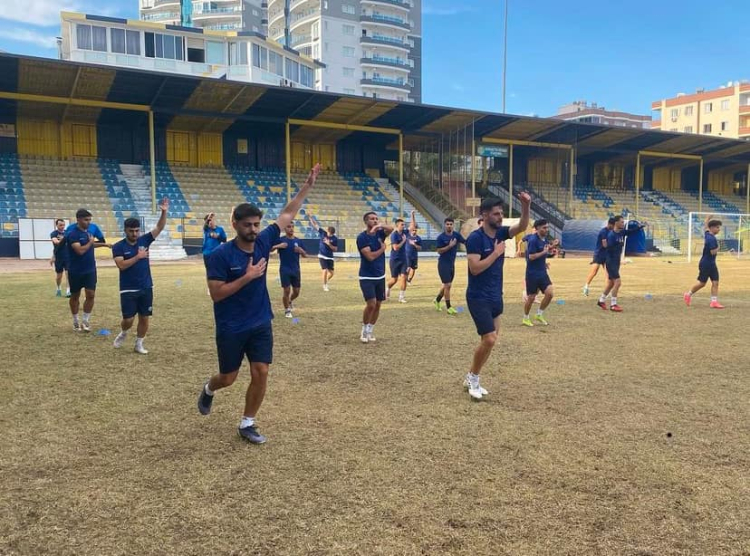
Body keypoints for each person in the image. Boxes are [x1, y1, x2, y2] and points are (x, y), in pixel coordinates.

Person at [197, 163, 320, 445]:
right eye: (247, 225)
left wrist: (307, 186)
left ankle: (247, 422)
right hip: (231, 325)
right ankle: (208, 388)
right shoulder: (220, 255)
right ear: (235, 225)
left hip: (260, 320)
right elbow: (216, 293)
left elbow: (287, 213)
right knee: (228, 377)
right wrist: (248, 276)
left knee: (261, 371)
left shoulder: (265, 241)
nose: (253, 230)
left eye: (256, 224)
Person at [464, 194, 530, 400]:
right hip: (478, 296)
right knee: (490, 339)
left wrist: (525, 206)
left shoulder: (501, 233)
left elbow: (521, 226)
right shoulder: (475, 238)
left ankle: (471, 376)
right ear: (484, 215)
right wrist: (495, 253)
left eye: (501, 213)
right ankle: (473, 379)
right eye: (496, 213)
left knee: (490, 341)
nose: (500, 217)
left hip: (495, 295)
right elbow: (474, 269)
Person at [111, 198, 169, 354]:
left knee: (144, 317)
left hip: (146, 286)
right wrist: (138, 257)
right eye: (131, 231)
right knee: (128, 320)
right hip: (128, 288)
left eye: (137, 230)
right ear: (125, 230)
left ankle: (139, 344)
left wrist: (164, 211)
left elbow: (159, 227)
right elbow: (121, 265)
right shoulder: (118, 246)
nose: (135, 234)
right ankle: (123, 333)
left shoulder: (144, 240)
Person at [65, 209, 110, 332]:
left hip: (90, 269)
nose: (88, 222)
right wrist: (91, 242)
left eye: (90, 220)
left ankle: (85, 321)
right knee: (75, 296)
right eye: (86, 220)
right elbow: (80, 250)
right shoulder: (72, 233)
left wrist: (104, 245)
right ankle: (75, 321)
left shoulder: (88, 232)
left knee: (91, 294)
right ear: (78, 219)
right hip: (75, 270)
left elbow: (90, 245)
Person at [357, 212, 395, 343]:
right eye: (372, 219)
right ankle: (364, 329)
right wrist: (382, 249)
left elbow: (391, 229)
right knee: (371, 304)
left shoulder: (379, 234)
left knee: (378, 305)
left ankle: (370, 330)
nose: (375, 221)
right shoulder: (362, 238)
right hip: (366, 276)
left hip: (380, 276)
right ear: (366, 222)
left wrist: (380, 226)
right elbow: (370, 256)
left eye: (376, 219)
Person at [597, 216, 645, 312]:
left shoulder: (622, 232)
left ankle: (601, 300)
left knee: (611, 283)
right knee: (618, 282)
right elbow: (609, 250)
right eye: (622, 222)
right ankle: (613, 304)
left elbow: (631, 231)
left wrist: (640, 226)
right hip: (611, 262)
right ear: (616, 223)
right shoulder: (611, 235)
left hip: (616, 262)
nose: (623, 224)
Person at [684, 216, 724, 309]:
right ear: (712, 228)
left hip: (712, 264)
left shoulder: (708, 233)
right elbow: (712, 252)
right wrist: (719, 247)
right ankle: (688, 294)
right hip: (706, 264)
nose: (719, 229)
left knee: (715, 282)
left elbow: (705, 227)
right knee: (702, 283)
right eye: (717, 227)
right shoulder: (711, 239)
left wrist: (707, 219)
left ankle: (714, 302)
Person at [522, 219, 555, 327]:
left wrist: (544, 262)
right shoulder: (533, 240)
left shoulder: (544, 239)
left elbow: (541, 254)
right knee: (531, 297)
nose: (546, 230)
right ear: (537, 229)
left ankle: (539, 314)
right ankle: (525, 318)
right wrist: (544, 252)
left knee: (549, 293)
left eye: (547, 227)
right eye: (544, 228)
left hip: (542, 272)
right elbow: (531, 257)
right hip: (532, 273)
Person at [272, 222, 308, 318]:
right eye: (289, 227)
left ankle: (290, 301)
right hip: (285, 269)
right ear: (285, 229)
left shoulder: (298, 241)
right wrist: (278, 246)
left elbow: (305, 255)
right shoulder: (281, 240)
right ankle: (287, 310)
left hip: (296, 270)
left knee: (296, 292)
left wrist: (301, 251)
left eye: (292, 227)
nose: (291, 228)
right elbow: (270, 249)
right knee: (286, 290)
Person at [434, 217, 466, 314]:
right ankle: (449, 308)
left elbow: (465, 242)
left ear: (453, 225)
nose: (449, 226)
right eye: (447, 224)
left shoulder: (456, 235)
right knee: (448, 285)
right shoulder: (441, 237)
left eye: (450, 224)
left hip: (452, 264)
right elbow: (439, 251)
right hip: (443, 264)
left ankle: (437, 300)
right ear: (444, 225)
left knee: (446, 286)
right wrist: (450, 246)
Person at [583, 217, 614, 296]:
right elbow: (604, 244)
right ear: (610, 224)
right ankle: (586, 286)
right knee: (594, 272)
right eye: (613, 225)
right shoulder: (603, 231)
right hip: (599, 254)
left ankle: (607, 291)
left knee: (608, 273)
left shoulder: (612, 231)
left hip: (606, 255)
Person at [309, 214, 337, 291]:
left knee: (331, 273)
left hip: (330, 256)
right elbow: (315, 225)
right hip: (322, 255)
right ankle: (325, 285)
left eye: (331, 234)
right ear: (327, 231)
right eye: (329, 233)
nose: (329, 235)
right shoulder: (323, 233)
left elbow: (335, 249)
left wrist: (329, 244)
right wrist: (311, 218)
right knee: (324, 270)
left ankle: (325, 282)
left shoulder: (334, 239)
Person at [386, 218, 408, 302]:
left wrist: (412, 215)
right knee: (394, 279)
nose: (403, 226)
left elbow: (412, 226)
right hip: (395, 259)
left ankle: (401, 297)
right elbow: (395, 248)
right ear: (397, 225)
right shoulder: (394, 235)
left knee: (403, 277)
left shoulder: (404, 233)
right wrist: (403, 241)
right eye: (402, 225)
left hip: (403, 259)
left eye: (404, 224)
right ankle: (387, 288)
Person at [50, 218, 70, 297]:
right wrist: (64, 239)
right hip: (59, 257)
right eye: (60, 225)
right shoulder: (54, 234)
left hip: (68, 256)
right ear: (57, 225)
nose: (62, 226)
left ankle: (68, 291)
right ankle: (58, 288)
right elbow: (56, 242)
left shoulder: (67, 233)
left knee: (68, 274)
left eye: (63, 225)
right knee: (59, 275)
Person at [405, 211, 423, 284]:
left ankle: (409, 280)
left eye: (415, 230)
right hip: (407, 255)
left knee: (414, 268)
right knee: (408, 267)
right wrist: (412, 215)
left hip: (414, 256)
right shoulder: (408, 235)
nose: (414, 231)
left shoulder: (418, 238)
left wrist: (414, 245)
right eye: (413, 230)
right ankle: (405, 279)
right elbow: (412, 224)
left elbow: (420, 248)